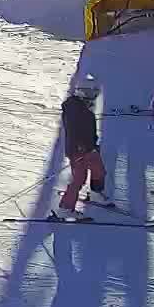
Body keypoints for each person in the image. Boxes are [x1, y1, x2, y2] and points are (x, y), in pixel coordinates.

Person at [55, 81, 108, 218]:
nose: (94, 100)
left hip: (89, 147)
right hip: (78, 150)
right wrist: (80, 147)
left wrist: (93, 143)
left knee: (99, 170)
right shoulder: (75, 111)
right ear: (85, 95)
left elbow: (88, 129)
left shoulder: (82, 109)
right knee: (79, 178)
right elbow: (73, 131)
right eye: (92, 96)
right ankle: (65, 208)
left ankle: (96, 193)